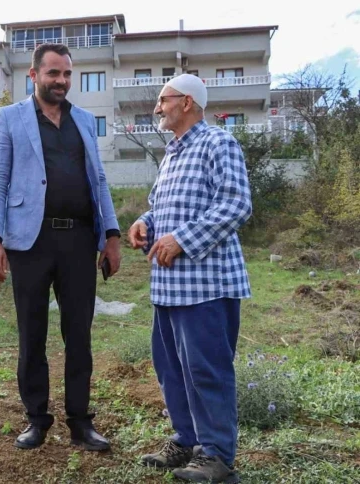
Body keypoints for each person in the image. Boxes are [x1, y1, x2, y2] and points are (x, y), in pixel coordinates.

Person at [0, 43, 121, 451]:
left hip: (79, 239)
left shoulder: (84, 119)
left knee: (79, 334)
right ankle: (37, 419)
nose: (61, 81)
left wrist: (110, 236)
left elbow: (99, 182)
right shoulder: (10, 118)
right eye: (53, 74)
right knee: (32, 334)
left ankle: (80, 422)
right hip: (30, 240)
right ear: (34, 75)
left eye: (66, 74)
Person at [127, 74, 251, 483]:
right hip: (169, 287)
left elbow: (236, 203)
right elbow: (162, 207)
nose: (157, 107)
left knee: (206, 371)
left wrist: (181, 239)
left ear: (187, 103)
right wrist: (145, 223)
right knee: (171, 369)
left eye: (163, 100)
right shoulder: (172, 154)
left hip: (207, 286)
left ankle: (216, 457)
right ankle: (186, 440)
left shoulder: (218, 143)